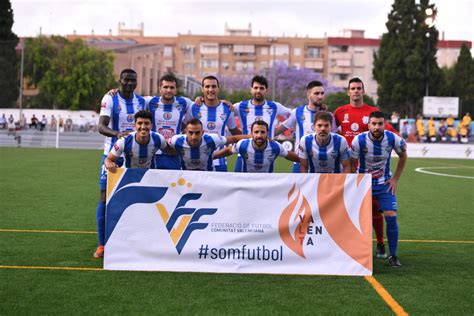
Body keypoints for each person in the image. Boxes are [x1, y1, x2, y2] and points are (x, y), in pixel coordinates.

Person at [333, 77, 396, 259]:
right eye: (352, 88)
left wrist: (397, 141)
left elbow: (389, 131)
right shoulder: (339, 112)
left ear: (363, 91)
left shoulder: (373, 112)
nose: (356, 91)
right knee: (347, 206)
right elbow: (332, 131)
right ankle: (346, 243)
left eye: (359, 88)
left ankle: (381, 243)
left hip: (368, 168)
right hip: (346, 165)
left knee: (375, 209)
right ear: (348, 91)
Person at [93, 68, 145, 259]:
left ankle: (131, 241)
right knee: (104, 197)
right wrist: (117, 134)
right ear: (120, 80)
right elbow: (101, 126)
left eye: (133, 80)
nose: (130, 83)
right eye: (126, 80)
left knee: (135, 199)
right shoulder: (110, 99)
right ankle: (102, 244)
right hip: (112, 155)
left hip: (136, 156)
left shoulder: (141, 101)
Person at [350, 111, 407, 267]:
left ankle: (393, 255)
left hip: (384, 184)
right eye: (373, 124)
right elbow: (350, 162)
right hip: (362, 184)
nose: (377, 127)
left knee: (391, 215)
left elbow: (403, 155)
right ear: (368, 125)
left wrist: (395, 178)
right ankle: (356, 252)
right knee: (357, 218)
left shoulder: (392, 138)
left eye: (380, 124)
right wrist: (351, 182)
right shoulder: (359, 140)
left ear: (384, 124)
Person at [233, 75, 292, 171]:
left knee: (265, 185)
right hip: (244, 154)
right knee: (239, 185)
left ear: (266, 91)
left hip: (266, 156)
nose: (258, 90)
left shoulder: (274, 106)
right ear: (251, 90)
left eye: (261, 88)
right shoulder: (240, 106)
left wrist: (276, 131)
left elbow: (294, 115)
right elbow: (223, 111)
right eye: (255, 88)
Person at [274, 80, 334, 172]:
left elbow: (335, 137)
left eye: (322, 93)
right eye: (316, 93)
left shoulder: (328, 115)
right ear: (308, 95)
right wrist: (258, 135)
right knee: (298, 187)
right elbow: (280, 130)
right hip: (300, 162)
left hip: (322, 164)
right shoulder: (297, 112)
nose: (320, 96)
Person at [186, 75, 242, 171]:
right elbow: (184, 129)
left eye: (213, 86)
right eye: (207, 86)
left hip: (220, 162)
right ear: (202, 89)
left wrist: (252, 137)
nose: (211, 89)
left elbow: (234, 132)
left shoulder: (227, 109)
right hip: (197, 162)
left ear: (218, 89)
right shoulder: (194, 107)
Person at [145, 74, 194, 170]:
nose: (168, 90)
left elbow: (202, 105)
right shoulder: (150, 101)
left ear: (175, 90)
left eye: (172, 87)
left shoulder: (184, 102)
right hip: (154, 153)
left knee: (173, 183)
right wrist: (113, 93)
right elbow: (133, 98)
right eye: (165, 87)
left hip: (174, 152)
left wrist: (200, 99)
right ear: (160, 89)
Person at [213, 120, 299, 173]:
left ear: (267, 133)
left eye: (262, 132)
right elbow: (228, 150)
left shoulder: (275, 147)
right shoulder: (243, 145)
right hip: (246, 182)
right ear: (251, 134)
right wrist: (212, 157)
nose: (259, 135)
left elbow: (289, 155)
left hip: (266, 184)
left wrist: (305, 161)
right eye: (256, 132)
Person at [168, 118, 248, 171]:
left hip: (208, 177)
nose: (194, 136)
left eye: (197, 133)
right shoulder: (176, 140)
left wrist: (253, 136)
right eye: (191, 133)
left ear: (202, 132)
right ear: (186, 132)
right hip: (186, 178)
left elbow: (233, 139)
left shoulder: (212, 139)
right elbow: (165, 145)